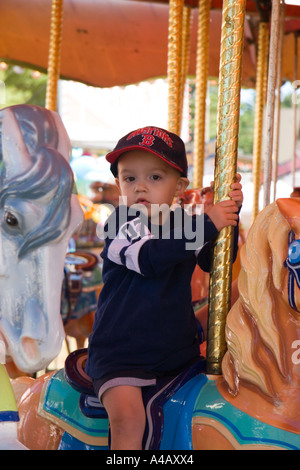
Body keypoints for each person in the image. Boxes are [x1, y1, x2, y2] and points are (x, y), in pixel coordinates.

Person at [85, 126, 243, 450]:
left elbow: (215, 262)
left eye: (155, 178)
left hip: (174, 355)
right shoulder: (119, 225)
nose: (140, 186)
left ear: (179, 186)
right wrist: (210, 223)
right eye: (130, 179)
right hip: (121, 356)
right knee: (129, 420)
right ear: (118, 185)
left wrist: (230, 217)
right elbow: (152, 257)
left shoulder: (183, 224)